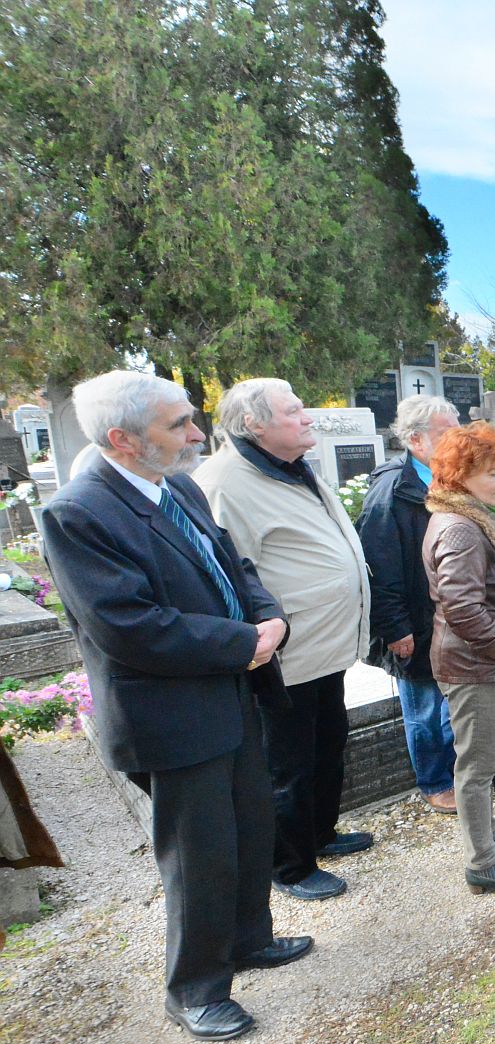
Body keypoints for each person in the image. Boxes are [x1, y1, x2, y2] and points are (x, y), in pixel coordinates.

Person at [40, 371, 309, 1041]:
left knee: (250, 830)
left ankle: (251, 940)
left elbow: (232, 566)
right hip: (172, 713)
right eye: (178, 425)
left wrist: (268, 618)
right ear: (122, 440)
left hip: (231, 692)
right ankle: (194, 987)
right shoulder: (79, 512)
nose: (196, 435)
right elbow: (127, 624)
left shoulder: (178, 486)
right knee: (199, 856)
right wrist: (242, 641)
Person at [193, 379, 373, 902]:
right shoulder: (226, 481)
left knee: (327, 743)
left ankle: (320, 833)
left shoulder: (291, 464)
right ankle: (290, 866)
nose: (308, 417)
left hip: (325, 645)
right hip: (285, 653)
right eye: (294, 411)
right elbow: (229, 575)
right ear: (255, 425)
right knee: (287, 763)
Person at [421, 422, 495, 894]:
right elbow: (463, 608)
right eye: (493, 472)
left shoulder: (472, 517)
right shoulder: (461, 529)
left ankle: (488, 838)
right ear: (461, 474)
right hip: (473, 664)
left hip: (480, 660)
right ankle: (483, 862)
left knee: (483, 759)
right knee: (476, 766)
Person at [356, 395, 461, 813]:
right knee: (423, 708)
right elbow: (380, 566)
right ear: (416, 440)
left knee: (452, 706)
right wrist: (396, 629)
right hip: (414, 624)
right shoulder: (393, 490)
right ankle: (435, 782)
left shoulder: (449, 479)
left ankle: (459, 775)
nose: (456, 438)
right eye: (445, 432)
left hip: (448, 620)